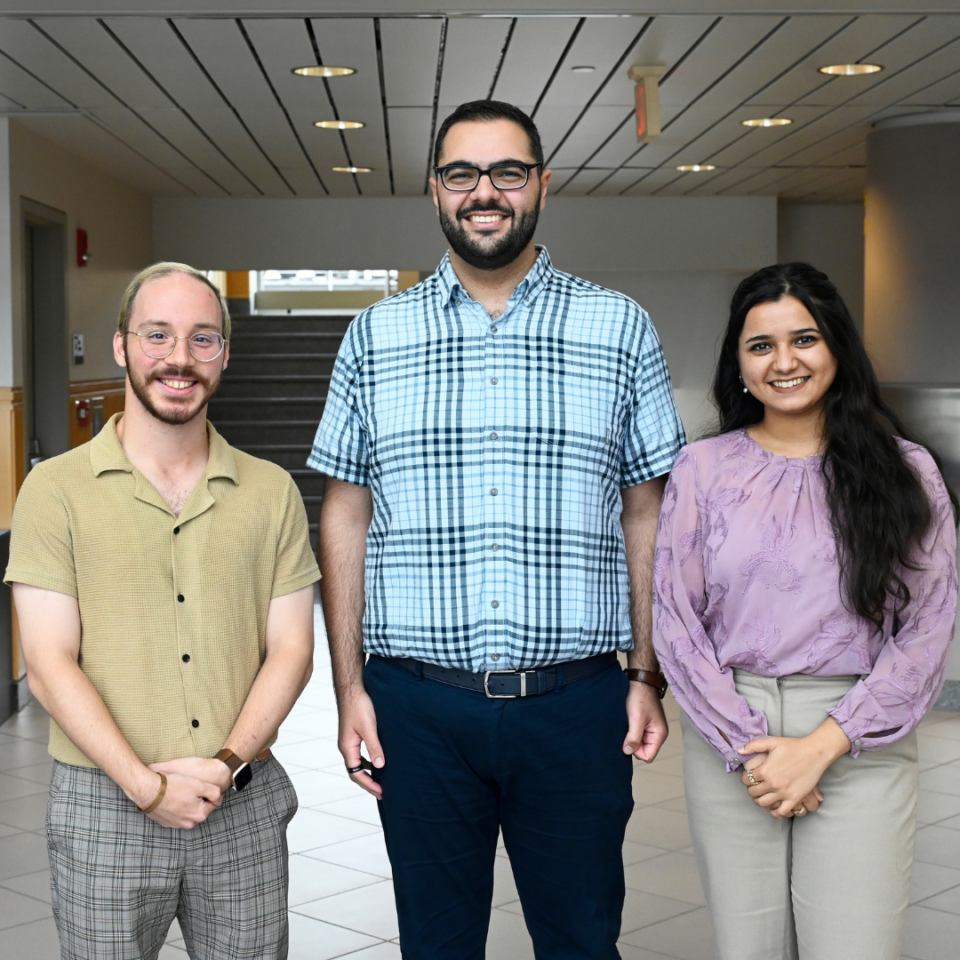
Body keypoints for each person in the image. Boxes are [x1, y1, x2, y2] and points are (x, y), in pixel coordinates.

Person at [309, 99, 685, 959]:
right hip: (417, 707)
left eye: (508, 172)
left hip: (578, 705)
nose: (486, 192)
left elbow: (650, 510)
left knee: (582, 941)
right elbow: (346, 508)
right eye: (462, 174)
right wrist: (348, 688)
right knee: (435, 947)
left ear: (543, 185)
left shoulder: (617, 326)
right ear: (434, 192)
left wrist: (647, 674)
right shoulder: (376, 335)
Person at [5, 262, 320, 960]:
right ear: (121, 347)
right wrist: (146, 787)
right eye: (158, 335)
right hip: (103, 805)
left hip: (239, 803)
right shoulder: (53, 492)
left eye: (203, 339)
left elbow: (294, 648)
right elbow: (48, 663)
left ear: (225, 354)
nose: (179, 358)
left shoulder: (270, 493)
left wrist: (227, 765)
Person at [652, 262, 958, 960]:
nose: (784, 362)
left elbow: (927, 629)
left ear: (838, 347)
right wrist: (750, 750)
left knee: (854, 945)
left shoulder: (906, 472)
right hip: (735, 732)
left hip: (859, 738)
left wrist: (821, 748)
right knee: (748, 948)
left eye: (805, 339)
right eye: (761, 346)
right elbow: (674, 618)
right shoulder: (704, 469)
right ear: (738, 362)